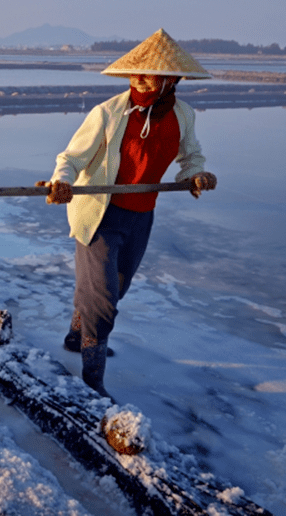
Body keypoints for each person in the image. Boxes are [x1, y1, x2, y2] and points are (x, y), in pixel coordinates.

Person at [39, 29, 218, 400]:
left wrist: (195, 176)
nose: (138, 78)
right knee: (102, 301)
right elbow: (70, 159)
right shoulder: (107, 114)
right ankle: (92, 378)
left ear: (171, 80)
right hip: (101, 214)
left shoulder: (183, 115)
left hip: (141, 216)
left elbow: (191, 157)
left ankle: (76, 336)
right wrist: (61, 182)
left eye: (149, 73)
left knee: (115, 286)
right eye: (135, 72)